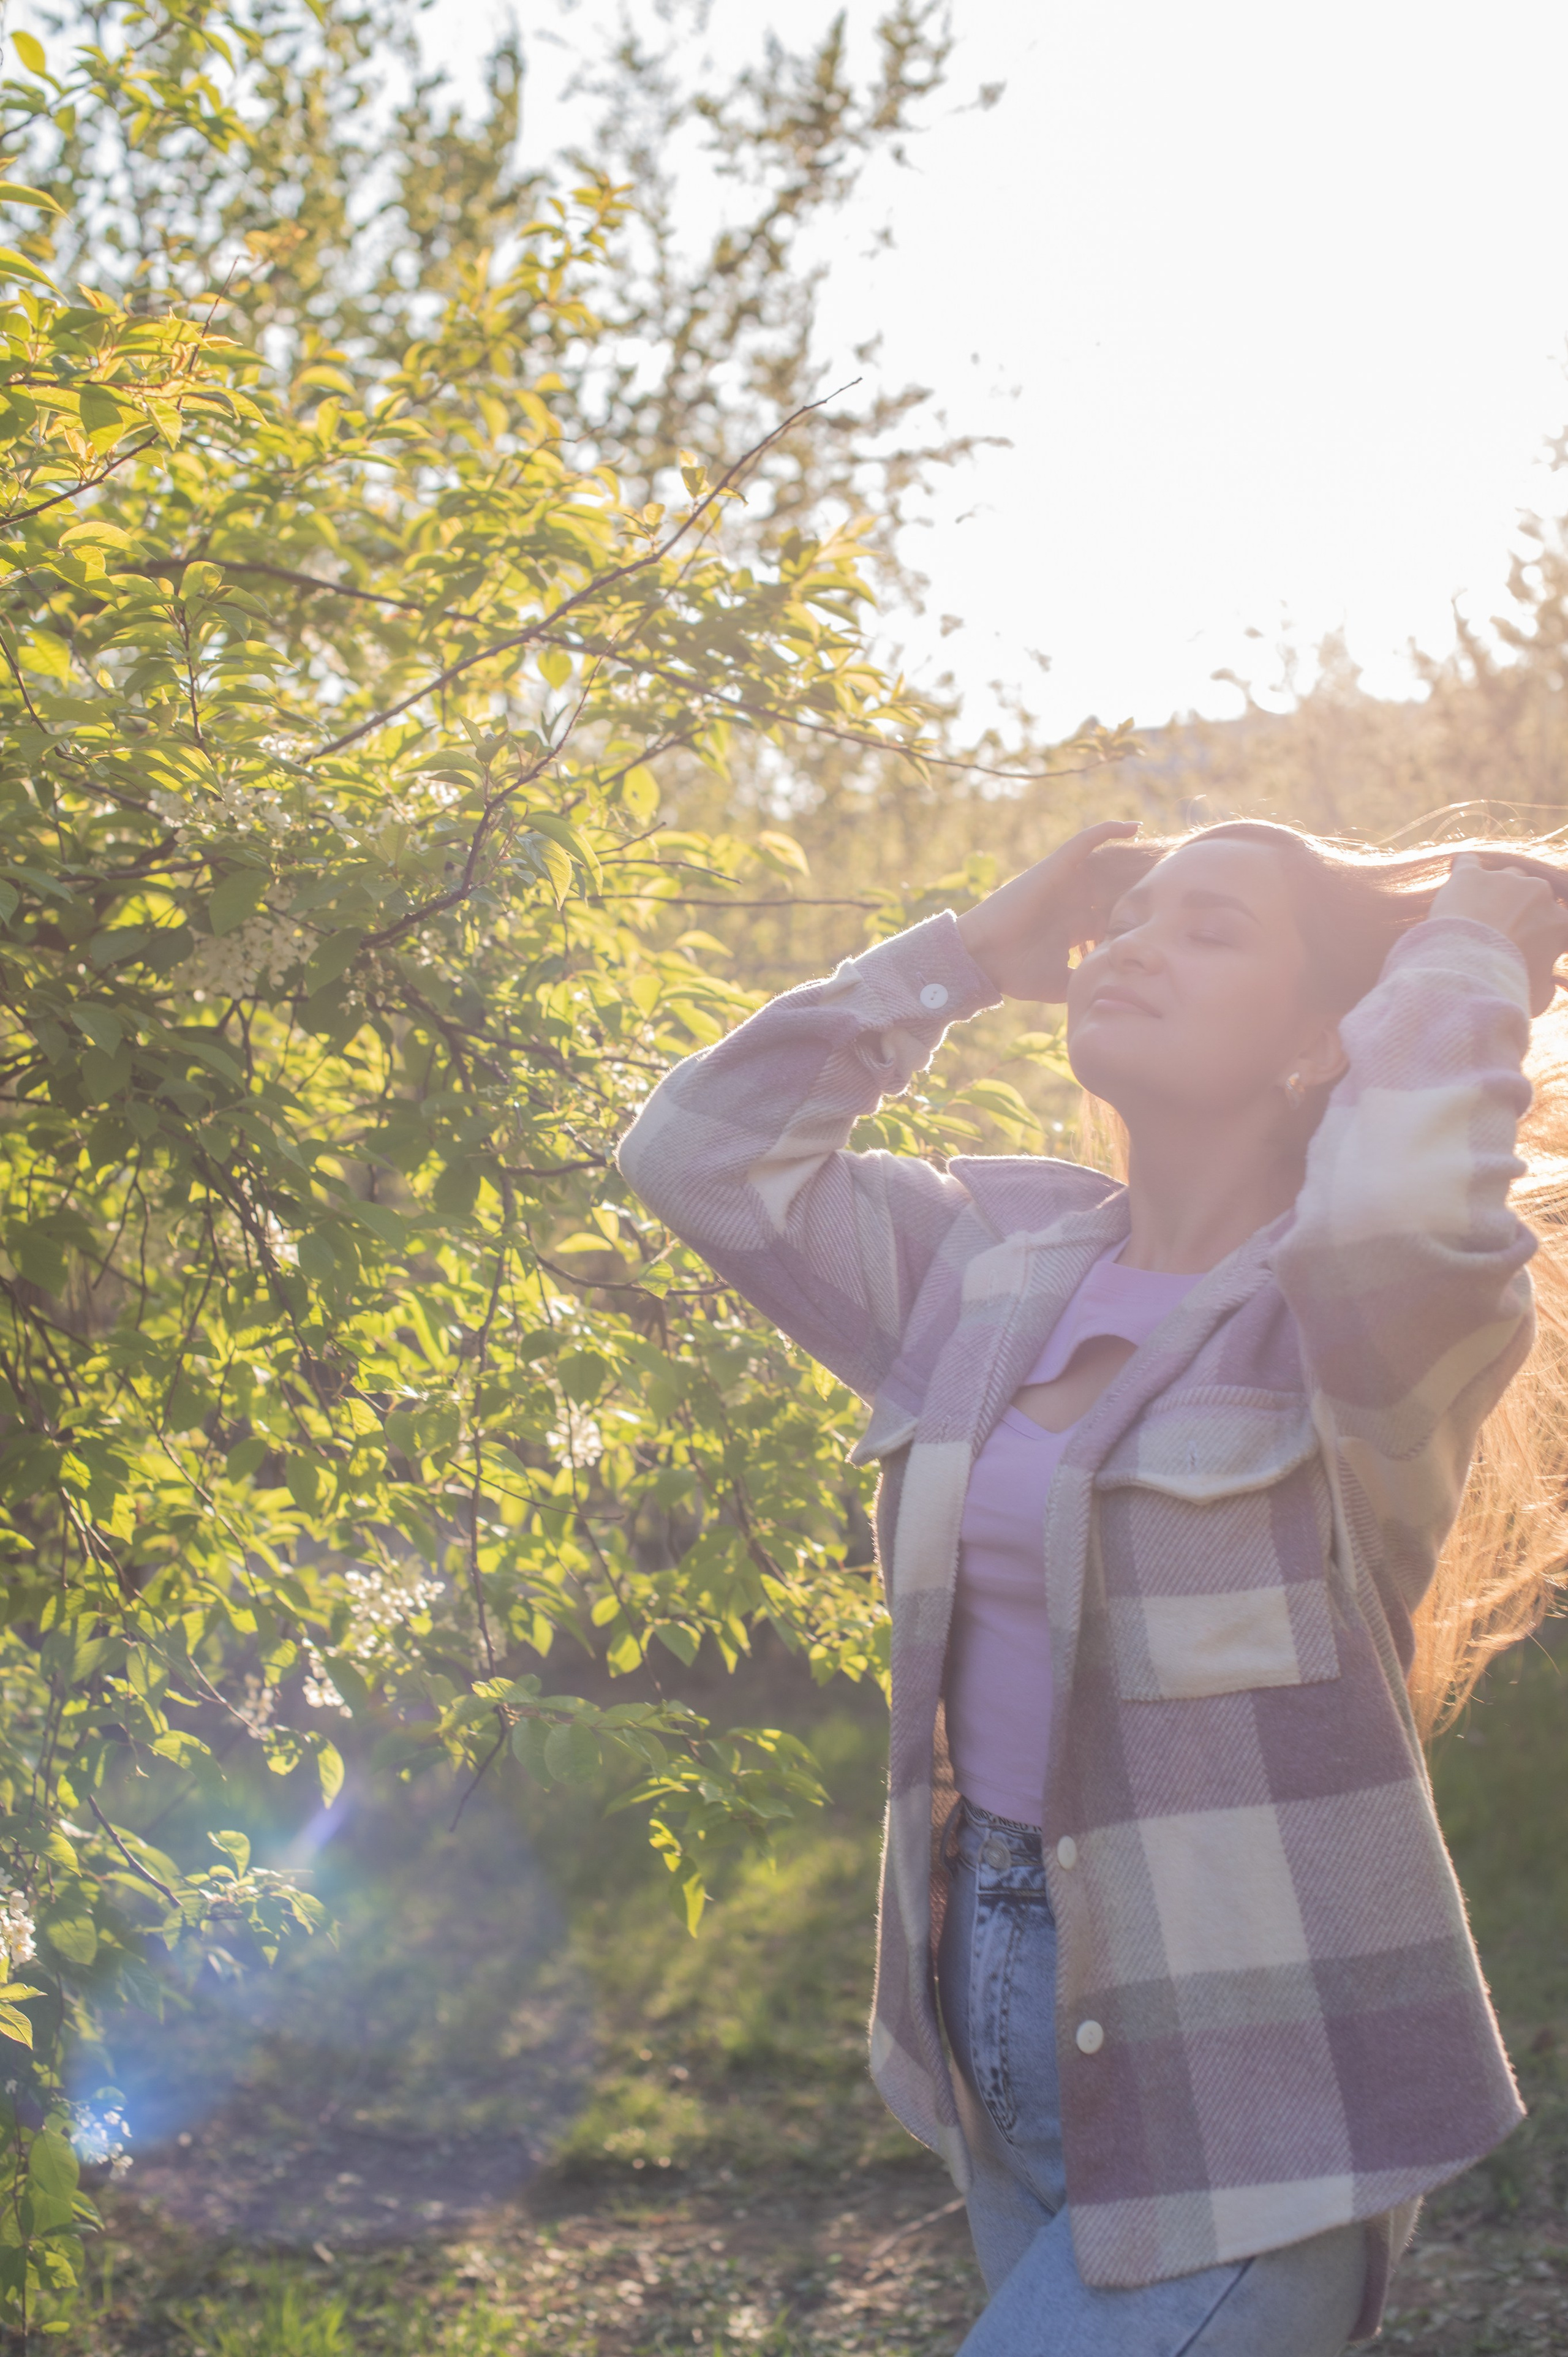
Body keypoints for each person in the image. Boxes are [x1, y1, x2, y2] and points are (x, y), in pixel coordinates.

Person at [616, 816, 1568, 2356]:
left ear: (1321, 1040)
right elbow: (696, 1155)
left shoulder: (1350, 1327)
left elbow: (1391, 1209)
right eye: (1126, 914)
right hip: (989, 2020)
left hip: (1255, 2091)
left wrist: (1463, 959)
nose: (1132, 943)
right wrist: (970, 957)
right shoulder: (990, 1268)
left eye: (1207, 928)